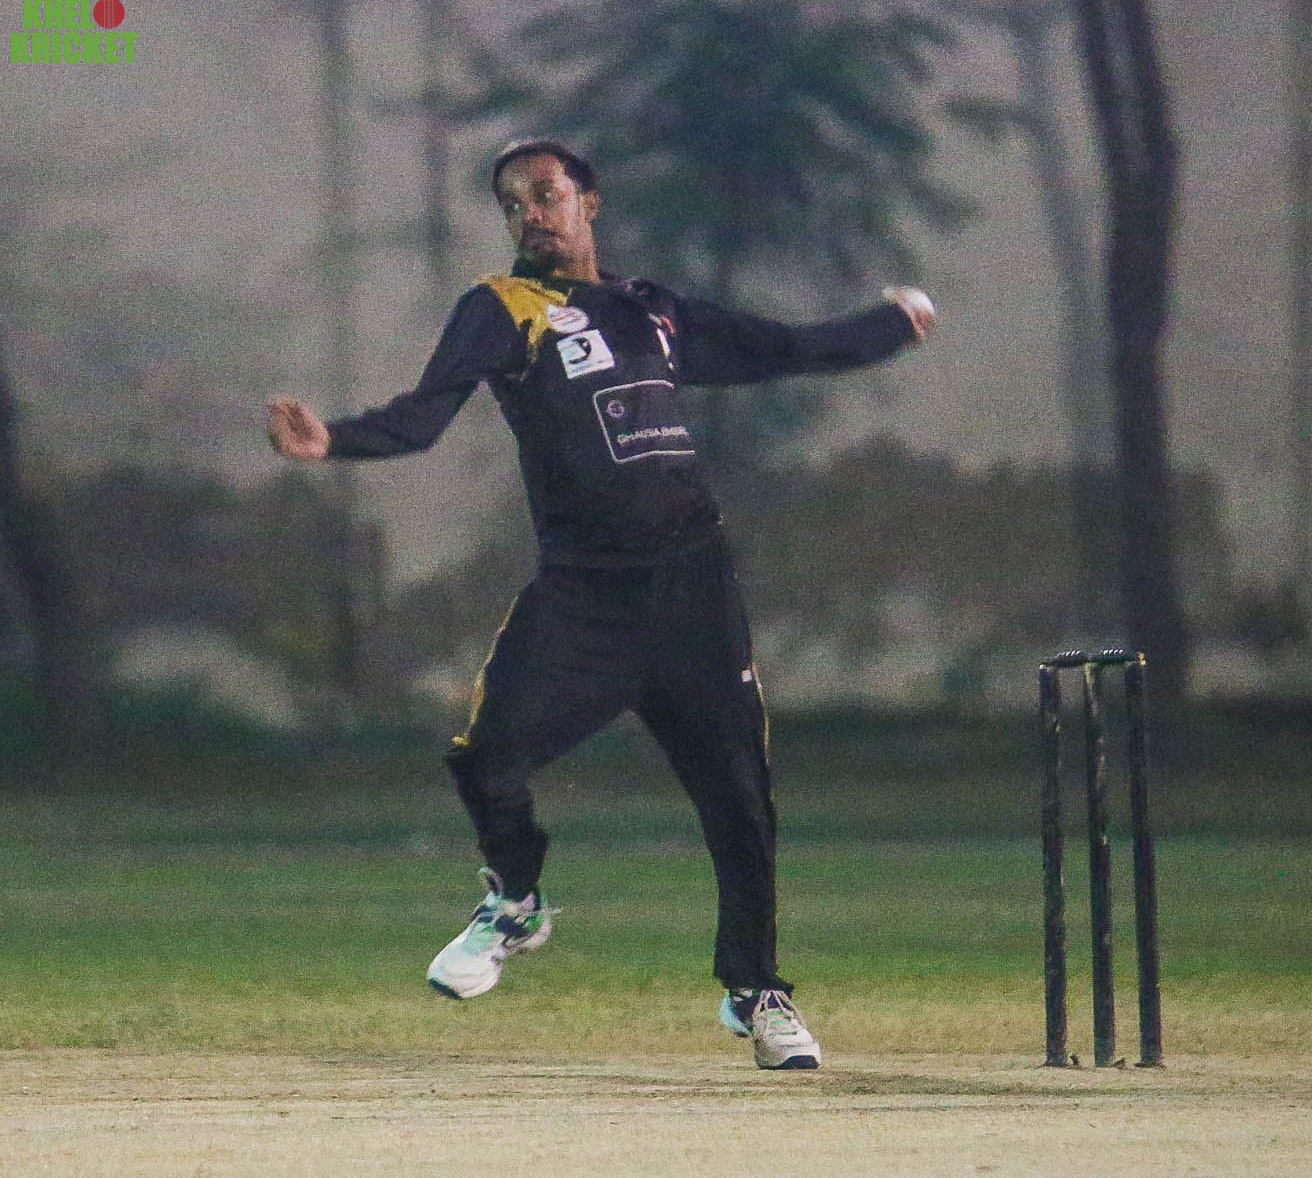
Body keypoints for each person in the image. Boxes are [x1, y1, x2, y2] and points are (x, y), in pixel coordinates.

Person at [268, 139, 935, 1070]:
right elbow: (422, 416)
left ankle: (757, 992)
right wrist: (332, 441)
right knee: (486, 758)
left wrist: (890, 325)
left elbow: (781, 348)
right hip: (584, 594)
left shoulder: (652, 309)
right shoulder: (500, 307)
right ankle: (516, 901)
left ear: (589, 201)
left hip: (694, 592)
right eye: (512, 205)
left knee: (740, 799)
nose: (529, 216)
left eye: (544, 195)